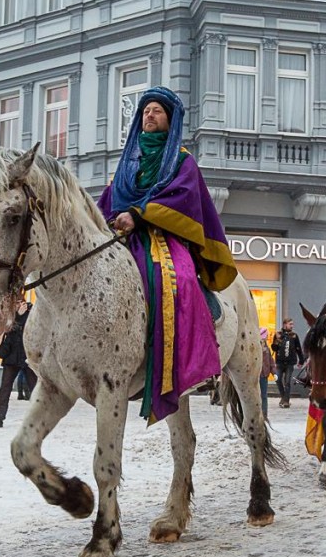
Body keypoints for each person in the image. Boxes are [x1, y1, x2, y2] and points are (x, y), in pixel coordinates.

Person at [97, 86, 237, 425]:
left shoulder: (182, 159)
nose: (149, 115)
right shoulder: (129, 159)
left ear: (169, 120)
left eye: (157, 110)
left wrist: (140, 213)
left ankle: (187, 359)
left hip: (165, 237)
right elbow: (109, 196)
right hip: (125, 236)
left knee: (182, 281)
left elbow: (184, 198)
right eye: (145, 111)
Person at [0, 300, 38, 428]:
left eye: (19, 301)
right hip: (11, 357)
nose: (17, 304)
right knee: (5, 387)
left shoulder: (32, 313)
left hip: (26, 356)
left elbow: (32, 330)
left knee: (35, 388)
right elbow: (6, 329)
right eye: (15, 302)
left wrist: (21, 316)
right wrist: (17, 315)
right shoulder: (10, 314)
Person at [271, 317, 304, 409]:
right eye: (290, 324)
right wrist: (276, 341)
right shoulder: (278, 334)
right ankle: (283, 397)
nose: (292, 326)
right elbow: (274, 348)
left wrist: (301, 360)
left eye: (292, 324)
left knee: (287, 382)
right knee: (277, 379)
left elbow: (298, 348)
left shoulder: (294, 335)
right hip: (279, 363)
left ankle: (286, 401)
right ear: (285, 324)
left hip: (290, 363)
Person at [259, 327, 275, 417]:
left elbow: (271, 361)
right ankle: (256, 413)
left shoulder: (266, 348)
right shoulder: (254, 346)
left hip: (264, 375)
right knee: (256, 395)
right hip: (255, 375)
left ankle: (264, 413)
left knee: (264, 395)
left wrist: (274, 372)